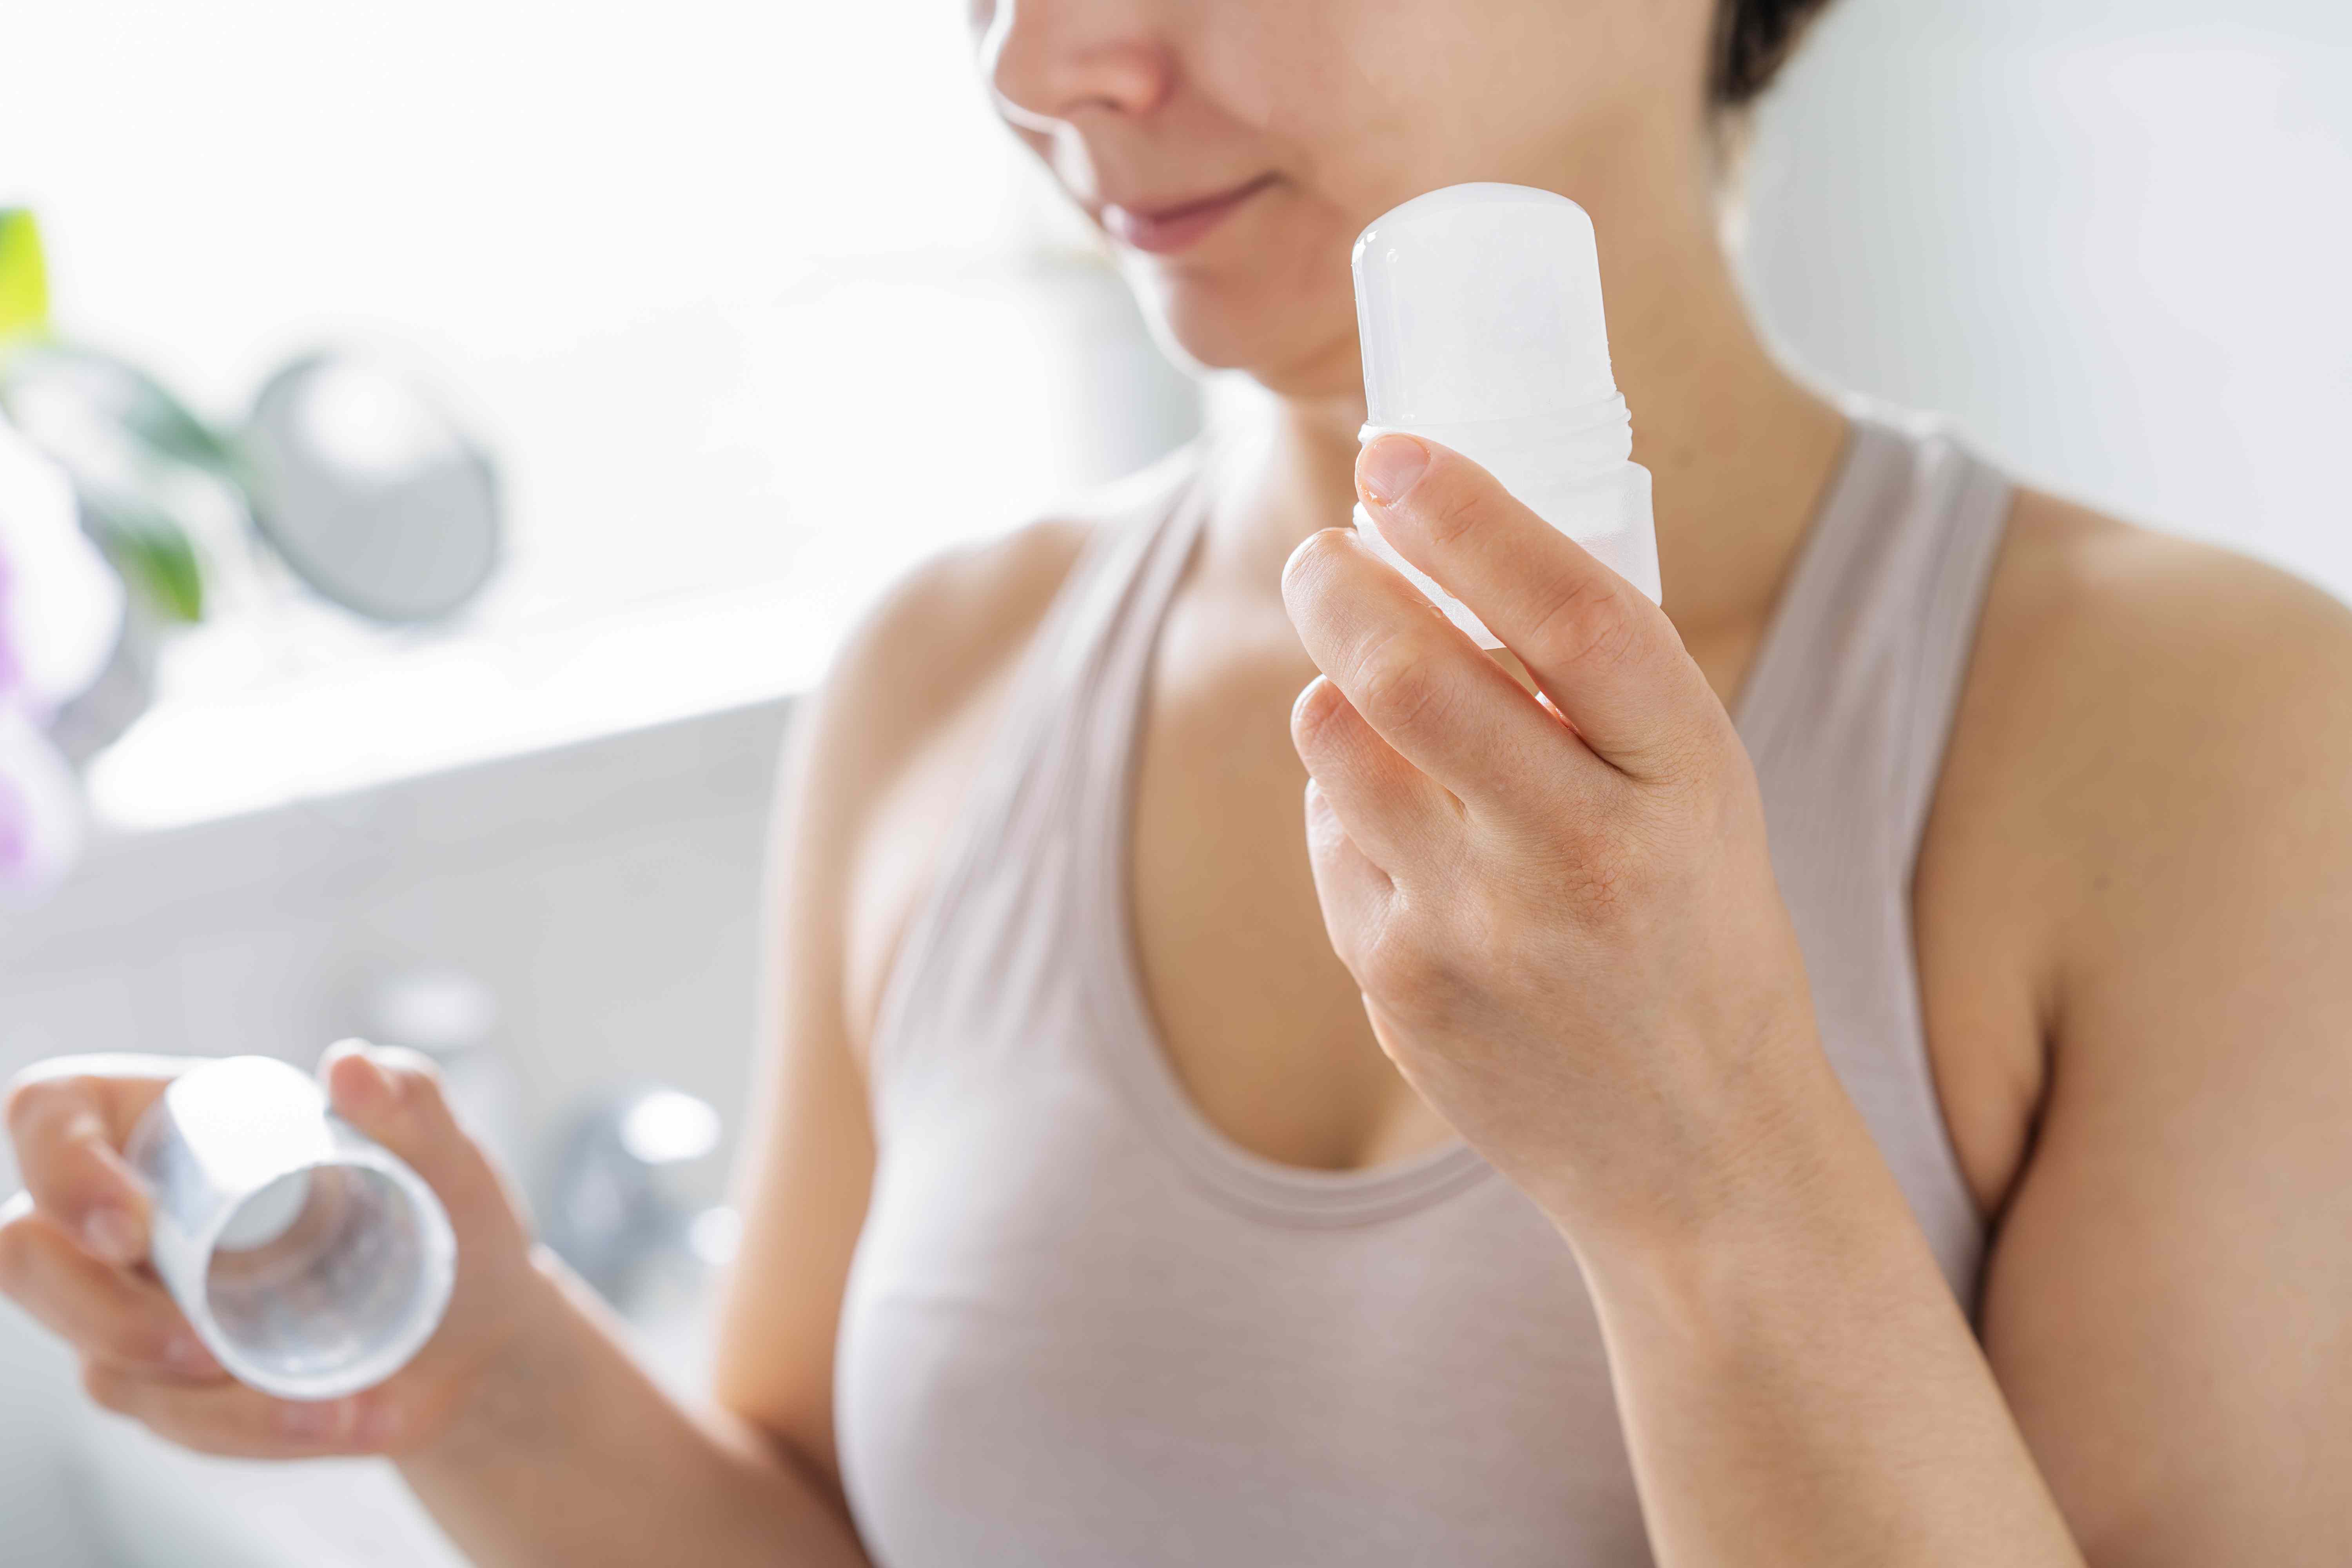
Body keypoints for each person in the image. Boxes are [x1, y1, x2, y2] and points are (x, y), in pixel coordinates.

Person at [6, 0, 2350, 1561]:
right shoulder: (946, 676)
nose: (1042, 58)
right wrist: (484, 1377)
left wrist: (1706, 1158)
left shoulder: (2211, 745)